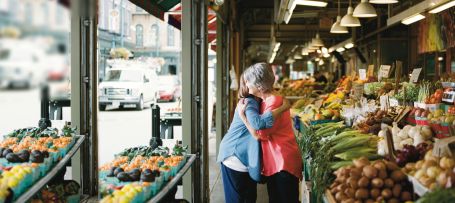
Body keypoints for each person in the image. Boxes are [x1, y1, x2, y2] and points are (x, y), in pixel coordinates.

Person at [217, 73, 290, 203]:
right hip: (234, 156)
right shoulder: (248, 102)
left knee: (248, 198)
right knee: (239, 199)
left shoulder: (258, 101)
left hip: (243, 158)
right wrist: (283, 108)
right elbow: (258, 123)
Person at [238, 63, 303, 203]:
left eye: (249, 81)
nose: (246, 83)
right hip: (279, 160)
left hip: (282, 161)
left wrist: (242, 116)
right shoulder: (269, 100)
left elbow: (260, 134)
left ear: (260, 86)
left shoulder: (273, 102)